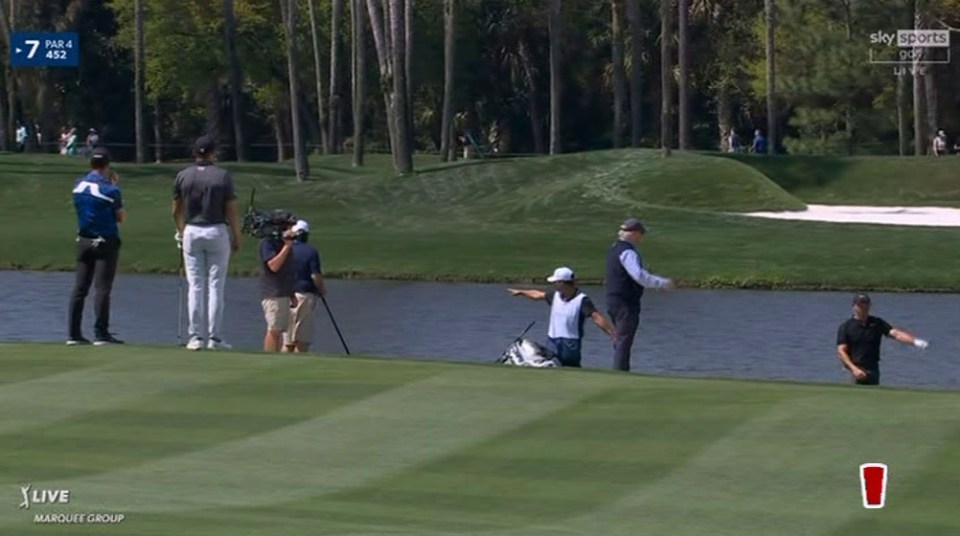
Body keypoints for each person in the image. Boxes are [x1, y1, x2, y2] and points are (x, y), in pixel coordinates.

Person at [172, 135, 242, 351]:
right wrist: (237, 236)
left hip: (192, 230)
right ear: (213, 153)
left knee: (196, 286)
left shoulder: (183, 175)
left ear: (196, 153)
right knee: (215, 286)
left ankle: (195, 338)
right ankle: (214, 338)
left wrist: (180, 230)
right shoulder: (222, 176)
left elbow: (176, 210)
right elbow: (231, 210)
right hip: (216, 230)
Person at [67, 148, 125, 345]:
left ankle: (73, 334)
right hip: (105, 241)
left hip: (83, 241)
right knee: (102, 288)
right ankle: (101, 334)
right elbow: (120, 217)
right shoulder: (111, 190)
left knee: (80, 288)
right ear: (107, 166)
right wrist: (113, 184)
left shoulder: (78, 185)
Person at [507, 266, 616, 368]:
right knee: (551, 367)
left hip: (570, 344)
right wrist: (521, 292)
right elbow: (538, 294)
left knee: (570, 368)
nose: (553, 285)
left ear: (562, 283)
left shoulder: (582, 300)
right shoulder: (554, 296)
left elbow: (596, 317)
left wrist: (612, 334)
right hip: (552, 341)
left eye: (555, 282)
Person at [605, 218, 674, 372]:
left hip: (613, 300)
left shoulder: (615, 248)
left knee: (620, 338)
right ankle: (620, 373)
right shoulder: (628, 252)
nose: (642, 237)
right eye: (641, 234)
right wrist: (662, 283)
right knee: (624, 339)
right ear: (635, 233)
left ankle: (619, 369)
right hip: (625, 302)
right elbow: (639, 276)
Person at [837, 293, 929, 386]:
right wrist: (854, 369)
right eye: (860, 304)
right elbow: (841, 352)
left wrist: (915, 341)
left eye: (866, 303)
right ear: (854, 306)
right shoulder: (846, 326)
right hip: (853, 369)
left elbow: (895, 334)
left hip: (873, 368)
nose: (863, 307)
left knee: (873, 397)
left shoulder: (877, 323)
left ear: (870, 305)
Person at [282, 220, 326, 353]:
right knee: (302, 338)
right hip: (304, 295)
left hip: (286, 295)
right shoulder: (311, 251)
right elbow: (315, 275)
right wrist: (321, 289)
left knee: (287, 339)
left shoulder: (286, 249)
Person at [259, 211, 298, 352]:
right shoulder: (268, 243)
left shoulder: (281, 243)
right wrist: (287, 247)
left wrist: (291, 294)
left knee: (279, 329)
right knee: (274, 329)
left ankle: (275, 355)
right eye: (289, 227)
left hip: (283, 292)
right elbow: (273, 266)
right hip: (274, 292)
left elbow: (287, 272)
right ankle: (269, 356)